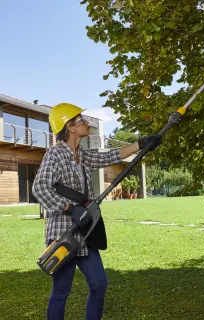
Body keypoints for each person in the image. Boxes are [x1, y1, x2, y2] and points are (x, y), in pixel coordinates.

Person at [32, 103, 161, 320]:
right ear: (70, 128)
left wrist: (141, 144)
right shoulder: (55, 155)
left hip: (85, 233)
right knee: (61, 291)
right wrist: (70, 208)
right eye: (81, 120)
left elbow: (110, 156)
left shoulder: (81, 155)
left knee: (99, 284)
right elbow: (39, 188)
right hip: (64, 234)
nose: (87, 122)